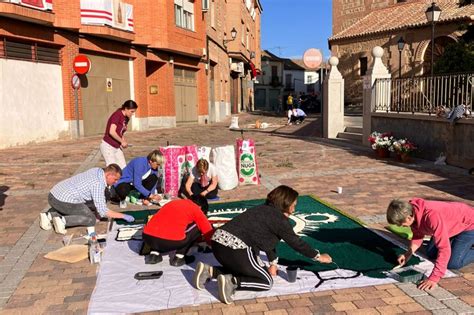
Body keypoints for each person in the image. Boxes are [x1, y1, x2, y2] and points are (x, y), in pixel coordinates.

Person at [193, 185, 332, 304]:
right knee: (265, 281)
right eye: (293, 205)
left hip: (218, 243)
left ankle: (209, 271)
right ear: (285, 203)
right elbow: (296, 242)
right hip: (235, 247)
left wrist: (273, 263)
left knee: (245, 269)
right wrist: (318, 256)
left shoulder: (261, 208)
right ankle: (233, 282)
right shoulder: (280, 220)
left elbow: (268, 238)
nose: (294, 209)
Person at [386, 198, 474, 291]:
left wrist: (434, 278)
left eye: (401, 224)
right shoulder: (412, 213)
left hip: (469, 224)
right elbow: (418, 235)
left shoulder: (431, 216)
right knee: (430, 253)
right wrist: (408, 254)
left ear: (408, 217)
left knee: (452, 263)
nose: (401, 226)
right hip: (451, 225)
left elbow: (444, 248)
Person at [39, 164, 135, 235]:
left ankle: (48, 215)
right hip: (63, 200)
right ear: (109, 175)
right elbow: (103, 211)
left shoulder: (97, 170)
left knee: (85, 210)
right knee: (90, 219)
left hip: (53, 194)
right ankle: (62, 221)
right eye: (115, 179)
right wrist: (123, 216)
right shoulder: (98, 184)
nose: (116, 182)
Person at [142, 195, 213, 266]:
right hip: (169, 241)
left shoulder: (173, 203)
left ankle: (154, 254)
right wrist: (211, 245)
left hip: (147, 237)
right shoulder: (195, 208)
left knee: (160, 227)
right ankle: (179, 257)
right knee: (198, 225)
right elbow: (207, 231)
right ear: (200, 207)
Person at [100, 100, 138, 169]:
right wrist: (122, 141)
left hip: (117, 147)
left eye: (134, 112)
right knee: (113, 170)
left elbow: (121, 132)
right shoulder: (117, 115)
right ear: (126, 109)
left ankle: (124, 180)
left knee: (123, 168)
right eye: (131, 111)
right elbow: (112, 131)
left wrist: (123, 141)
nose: (132, 114)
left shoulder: (126, 118)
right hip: (108, 146)